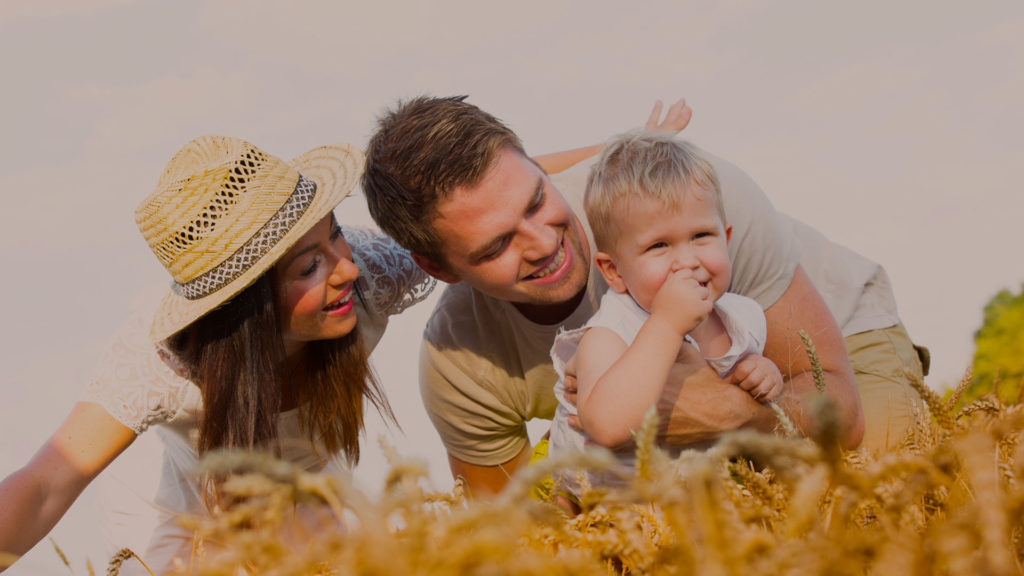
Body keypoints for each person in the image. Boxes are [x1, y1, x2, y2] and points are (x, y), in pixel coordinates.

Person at [362, 95, 924, 497]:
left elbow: (841, 412)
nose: (541, 244)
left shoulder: (691, 201)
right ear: (439, 268)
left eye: (536, 200)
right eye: (496, 245)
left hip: (836, 340)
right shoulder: (459, 364)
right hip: (685, 443)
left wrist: (730, 412)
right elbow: (503, 533)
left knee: (876, 483)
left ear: (540, 167)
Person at [0, 136, 435, 574]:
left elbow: (468, 240)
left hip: (303, 491)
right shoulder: (163, 357)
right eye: (308, 268)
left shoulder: (370, 273)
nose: (348, 269)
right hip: (180, 509)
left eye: (336, 233)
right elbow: (45, 484)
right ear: (248, 304)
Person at [548, 131, 784, 496]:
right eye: (659, 245)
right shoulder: (610, 334)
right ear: (614, 271)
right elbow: (608, 427)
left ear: (727, 238)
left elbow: (749, 403)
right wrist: (666, 324)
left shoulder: (743, 317)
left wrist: (764, 376)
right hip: (607, 506)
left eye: (702, 235)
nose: (687, 261)